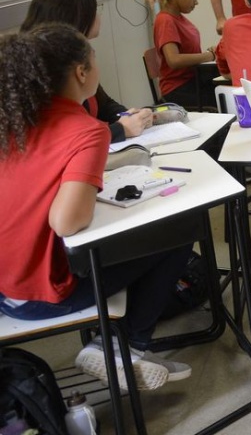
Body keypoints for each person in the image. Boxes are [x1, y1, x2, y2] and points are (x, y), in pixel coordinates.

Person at [0, 24, 191, 390]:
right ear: (81, 72)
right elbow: (66, 221)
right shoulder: (87, 130)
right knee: (178, 231)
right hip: (36, 296)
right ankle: (121, 348)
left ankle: (120, 343)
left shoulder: (13, 117)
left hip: (4, 284)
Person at [19, 0, 154, 143]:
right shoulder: (47, 67)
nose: (98, 17)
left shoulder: (75, 54)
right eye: (95, 10)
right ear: (78, 16)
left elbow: (103, 104)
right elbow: (65, 137)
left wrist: (130, 116)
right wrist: (120, 129)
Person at [145, 0, 217, 108]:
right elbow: (174, 60)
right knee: (222, 97)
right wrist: (209, 56)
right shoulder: (166, 21)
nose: (196, 2)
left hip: (191, 82)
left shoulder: (179, 18)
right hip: (177, 89)